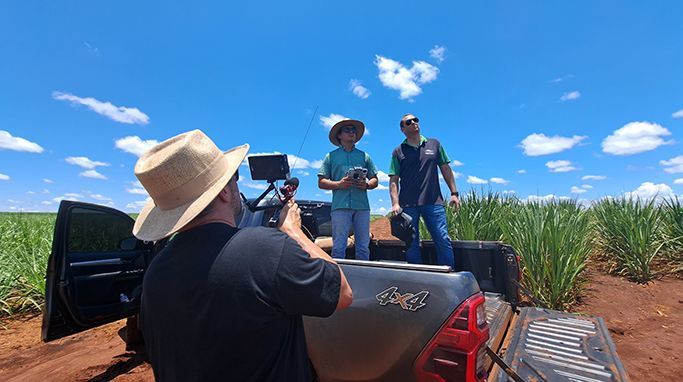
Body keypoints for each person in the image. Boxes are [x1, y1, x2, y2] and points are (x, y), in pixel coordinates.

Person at [133, 129, 353, 382]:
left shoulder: (156, 272)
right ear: (224, 192)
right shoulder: (265, 249)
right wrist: (293, 232)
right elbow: (342, 293)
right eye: (233, 177)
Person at [388, 114, 460, 268]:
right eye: (409, 122)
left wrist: (454, 193)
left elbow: (445, 168)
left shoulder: (434, 144)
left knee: (442, 238)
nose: (414, 123)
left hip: (433, 202)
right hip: (408, 204)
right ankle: (417, 277)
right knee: (411, 243)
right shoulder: (398, 151)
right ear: (403, 129)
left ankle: (448, 274)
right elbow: (393, 180)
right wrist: (395, 203)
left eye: (416, 120)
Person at [318, 119, 378, 260]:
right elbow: (321, 182)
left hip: (362, 207)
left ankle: (363, 277)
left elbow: (375, 179)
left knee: (363, 246)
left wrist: (367, 185)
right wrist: (339, 184)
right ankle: (338, 279)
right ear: (339, 136)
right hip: (340, 207)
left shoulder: (365, 156)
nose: (351, 132)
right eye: (347, 130)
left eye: (353, 130)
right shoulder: (331, 156)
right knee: (339, 246)